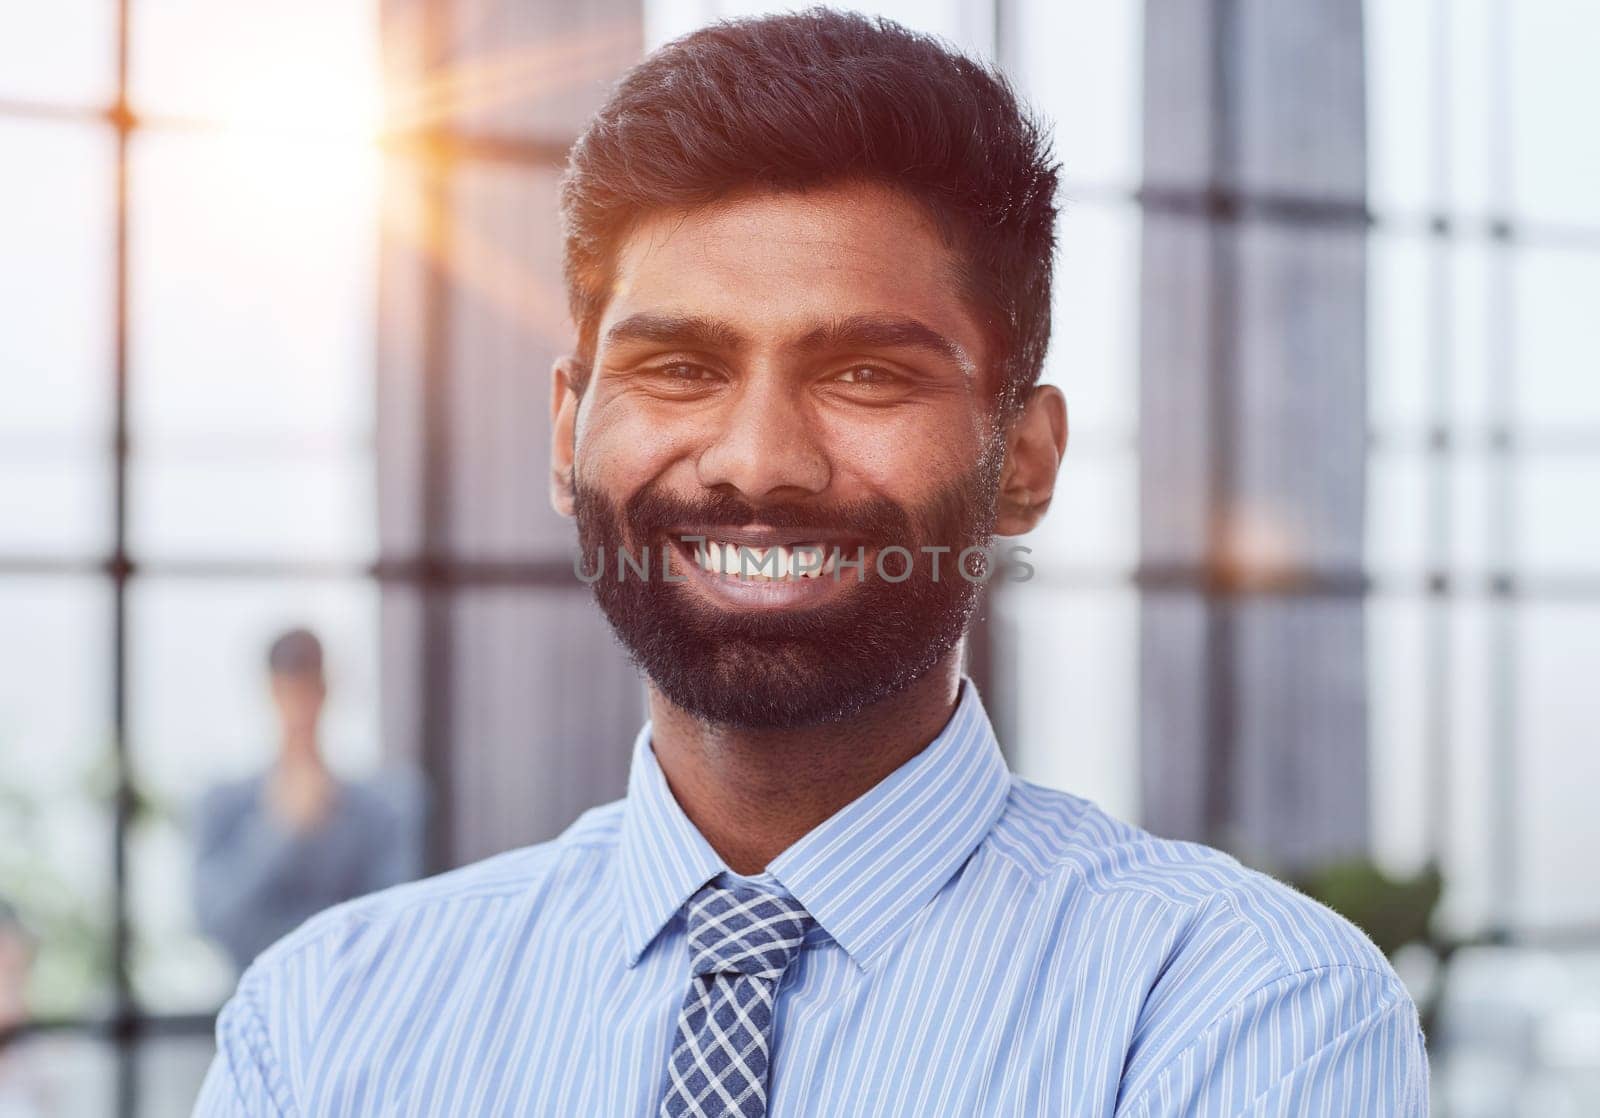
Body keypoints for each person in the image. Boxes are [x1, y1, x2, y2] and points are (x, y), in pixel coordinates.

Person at [195, 12, 1428, 1115]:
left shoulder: (1247, 1011)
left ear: (1024, 463)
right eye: (679, 366)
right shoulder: (325, 1024)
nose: (758, 461)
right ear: (568, 433)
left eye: (866, 373)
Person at [191, 628, 421, 973]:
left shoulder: (380, 806)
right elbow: (212, 921)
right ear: (270, 693)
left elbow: (393, 921)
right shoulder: (223, 802)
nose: (299, 711)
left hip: (350, 998)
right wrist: (278, 830)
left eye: (308, 692)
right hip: (254, 1009)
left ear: (326, 692)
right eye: (288, 693)